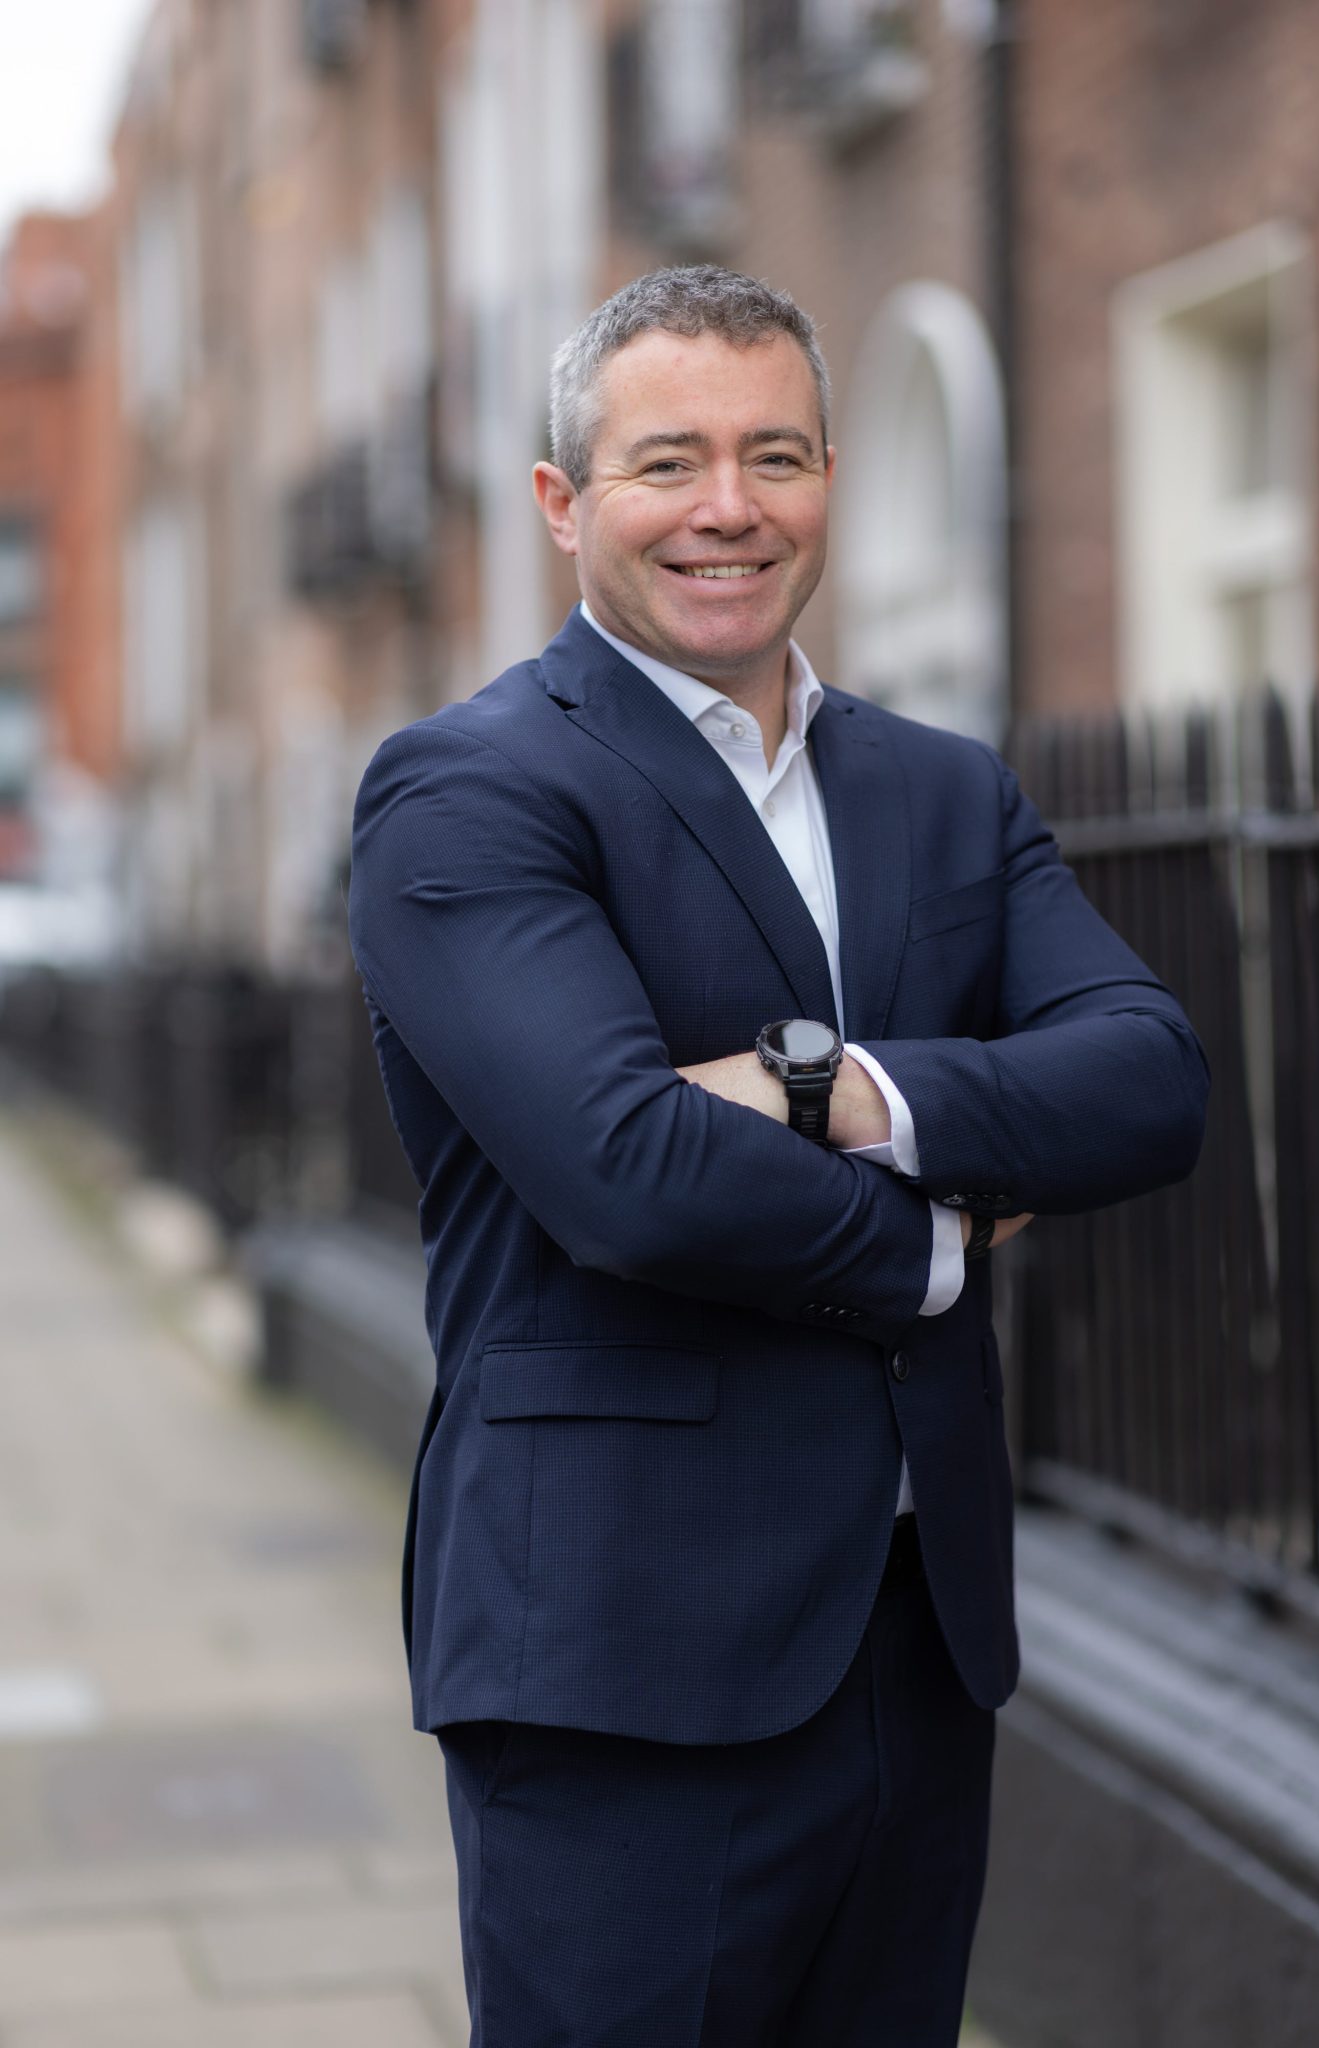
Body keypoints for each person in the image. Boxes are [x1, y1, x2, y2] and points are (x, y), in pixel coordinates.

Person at [348, 264, 1207, 2047]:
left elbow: (1147, 1078)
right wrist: (943, 1234)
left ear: (828, 482)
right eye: (667, 462)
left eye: (776, 455)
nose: (728, 508)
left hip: (916, 1634)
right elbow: (623, 1170)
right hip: (621, 1649)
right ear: (562, 505)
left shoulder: (942, 790)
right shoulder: (473, 790)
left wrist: (829, 1091)